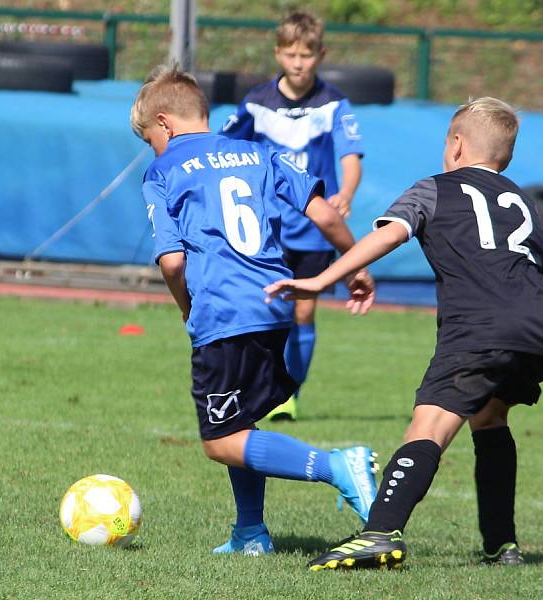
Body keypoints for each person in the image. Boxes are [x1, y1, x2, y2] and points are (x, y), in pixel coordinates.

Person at [264, 97, 543, 569]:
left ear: (456, 144)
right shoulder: (520, 202)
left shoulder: (434, 189)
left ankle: (380, 532)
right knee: (490, 417)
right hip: (541, 326)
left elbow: (390, 234)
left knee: (430, 423)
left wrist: (321, 280)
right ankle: (501, 544)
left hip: (482, 325)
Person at [130, 65, 378, 556]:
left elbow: (174, 260)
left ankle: (337, 466)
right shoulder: (258, 152)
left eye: (149, 139)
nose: (153, 149)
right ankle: (250, 532)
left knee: (220, 440)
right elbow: (326, 214)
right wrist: (354, 267)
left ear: (165, 124)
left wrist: (186, 308)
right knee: (241, 422)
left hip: (223, 312)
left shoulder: (163, 170)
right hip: (273, 305)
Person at [221, 10, 364, 421]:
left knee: (303, 310)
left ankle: (288, 395)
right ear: (277, 54)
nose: (298, 63)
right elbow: (224, 149)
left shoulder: (334, 103)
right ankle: (254, 384)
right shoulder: (256, 103)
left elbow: (350, 155)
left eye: (306, 54)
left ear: (321, 54)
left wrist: (346, 192)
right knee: (262, 307)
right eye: (290, 54)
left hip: (315, 226)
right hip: (266, 226)